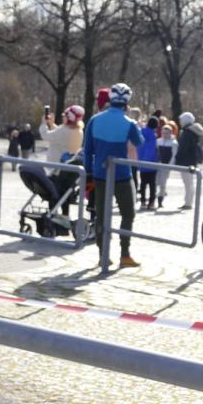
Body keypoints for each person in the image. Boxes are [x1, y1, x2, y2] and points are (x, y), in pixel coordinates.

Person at [82, 83, 144, 268]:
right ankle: (125, 254)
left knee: (101, 215)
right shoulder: (129, 123)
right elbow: (139, 141)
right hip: (122, 175)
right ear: (127, 102)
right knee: (128, 213)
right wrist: (133, 121)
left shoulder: (94, 120)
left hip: (100, 174)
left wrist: (88, 173)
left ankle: (103, 255)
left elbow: (87, 150)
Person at [175, 111, 203, 210]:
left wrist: (177, 158)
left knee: (188, 183)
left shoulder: (187, 133)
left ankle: (188, 203)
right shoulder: (193, 132)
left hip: (186, 160)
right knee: (189, 183)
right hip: (191, 160)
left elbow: (183, 148)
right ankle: (188, 201)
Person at [136, 116, 160, 210]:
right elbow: (151, 148)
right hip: (151, 163)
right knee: (152, 184)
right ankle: (151, 202)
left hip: (141, 161)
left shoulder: (141, 131)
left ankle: (142, 202)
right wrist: (148, 159)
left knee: (143, 183)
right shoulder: (152, 135)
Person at [155, 124, 178, 209]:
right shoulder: (158, 141)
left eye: (166, 133)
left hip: (166, 166)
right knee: (155, 182)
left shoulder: (173, 143)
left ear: (170, 133)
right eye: (163, 133)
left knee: (163, 183)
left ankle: (160, 200)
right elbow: (156, 152)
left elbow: (174, 155)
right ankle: (154, 197)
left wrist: (170, 166)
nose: (164, 134)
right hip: (158, 164)